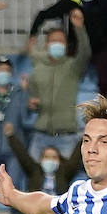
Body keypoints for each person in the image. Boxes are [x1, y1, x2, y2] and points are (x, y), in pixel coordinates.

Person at [29, 10, 91, 158]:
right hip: (40, 134)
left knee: (67, 179)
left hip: (66, 136)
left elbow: (85, 53)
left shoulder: (73, 67)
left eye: (60, 41)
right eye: (53, 41)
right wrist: (32, 104)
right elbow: (32, 98)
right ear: (47, 44)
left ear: (66, 45)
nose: (57, 44)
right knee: (33, 178)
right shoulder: (37, 69)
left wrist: (79, 28)